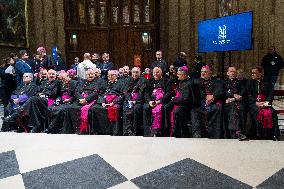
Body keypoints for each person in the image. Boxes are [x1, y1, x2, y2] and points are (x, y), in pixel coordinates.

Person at [62, 69, 106, 134]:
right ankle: (74, 130)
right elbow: (76, 91)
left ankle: (86, 130)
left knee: (92, 110)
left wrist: (86, 99)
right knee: (70, 108)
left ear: (95, 75)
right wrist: (81, 99)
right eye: (88, 74)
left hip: (91, 100)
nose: (90, 75)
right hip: (80, 99)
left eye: (91, 74)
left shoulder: (98, 82)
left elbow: (96, 92)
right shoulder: (82, 81)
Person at [191, 65, 224, 139]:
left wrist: (213, 96)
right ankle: (197, 132)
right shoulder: (196, 81)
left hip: (213, 103)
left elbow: (220, 91)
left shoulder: (216, 81)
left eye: (205, 72)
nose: (203, 73)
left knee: (218, 109)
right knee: (194, 111)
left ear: (210, 73)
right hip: (201, 103)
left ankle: (215, 134)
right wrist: (204, 96)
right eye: (202, 72)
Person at [247, 67, 280, 140]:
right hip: (254, 104)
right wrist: (255, 102)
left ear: (260, 73)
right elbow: (248, 94)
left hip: (265, 103)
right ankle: (259, 134)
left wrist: (266, 102)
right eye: (252, 73)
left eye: (254, 73)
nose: (252, 74)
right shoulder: (249, 83)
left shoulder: (267, 82)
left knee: (272, 112)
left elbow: (270, 94)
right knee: (258, 112)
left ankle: (274, 135)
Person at [89, 70, 124, 135]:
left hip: (115, 102)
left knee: (115, 109)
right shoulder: (105, 84)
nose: (110, 77)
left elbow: (122, 95)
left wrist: (113, 102)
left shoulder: (121, 83)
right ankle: (98, 131)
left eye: (112, 75)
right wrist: (102, 102)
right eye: (109, 75)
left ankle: (114, 132)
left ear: (116, 76)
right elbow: (100, 94)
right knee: (94, 108)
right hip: (105, 102)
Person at [164, 66, 193, 137]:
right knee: (166, 107)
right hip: (178, 102)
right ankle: (167, 131)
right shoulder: (181, 82)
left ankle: (177, 133)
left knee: (177, 111)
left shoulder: (189, 83)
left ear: (184, 75)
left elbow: (185, 99)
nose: (177, 75)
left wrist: (175, 99)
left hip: (186, 105)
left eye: (179, 74)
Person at [143, 67, 171, 136]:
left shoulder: (166, 81)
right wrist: (149, 101)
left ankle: (159, 131)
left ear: (161, 73)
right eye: (154, 72)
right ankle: (149, 131)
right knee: (145, 107)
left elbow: (168, 93)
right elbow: (146, 93)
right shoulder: (149, 81)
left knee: (162, 108)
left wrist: (159, 101)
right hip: (151, 102)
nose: (155, 73)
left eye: (157, 72)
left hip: (162, 101)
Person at [223, 67, 247, 140]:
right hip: (227, 103)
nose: (232, 73)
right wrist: (233, 95)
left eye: (234, 72)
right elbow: (222, 92)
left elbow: (243, 93)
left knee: (238, 108)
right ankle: (237, 132)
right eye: (231, 71)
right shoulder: (223, 82)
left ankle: (235, 133)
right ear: (227, 73)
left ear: (236, 73)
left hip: (238, 103)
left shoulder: (241, 83)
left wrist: (233, 98)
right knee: (234, 107)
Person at [122, 67, 145, 136]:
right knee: (126, 108)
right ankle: (127, 130)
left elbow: (142, 92)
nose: (135, 74)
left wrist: (136, 101)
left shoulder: (143, 80)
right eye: (134, 72)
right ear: (131, 73)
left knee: (136, 109)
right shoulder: (128, 80)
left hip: (139, 101)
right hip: (129, 100)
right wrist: (129, 100)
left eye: (137, 72)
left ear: (140, 72)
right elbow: (126, 91)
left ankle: (135, 130)